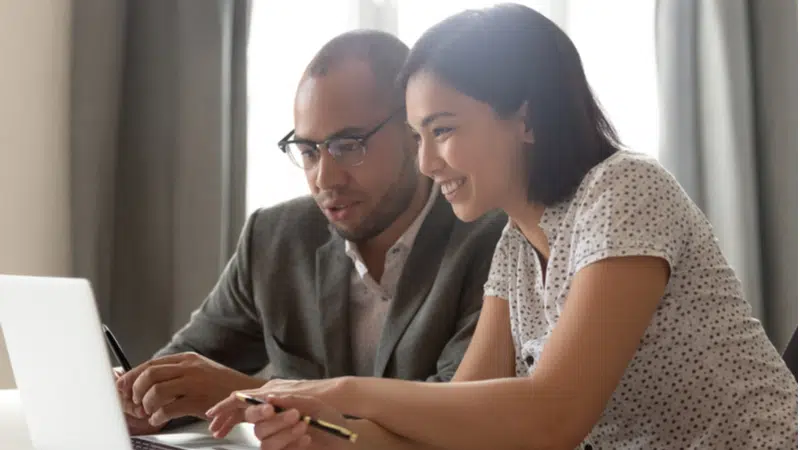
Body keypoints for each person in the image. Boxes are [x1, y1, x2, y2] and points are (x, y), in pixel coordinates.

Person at [206, 4, 799, 449]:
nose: (425, 163)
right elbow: (452, 428)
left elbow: (553, 416)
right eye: (419, 136)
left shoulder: (625, 190)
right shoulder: (517, 245)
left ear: (526, 116)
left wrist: (339, 392)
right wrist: (320, 432)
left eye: (443, 130)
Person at [114, 29, 506, 436]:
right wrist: (132, 396)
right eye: (308, 151)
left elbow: (456, 422)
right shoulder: (275, 237)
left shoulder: (492, 242)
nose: (325, 178)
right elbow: (185, 376)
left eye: (348, 146)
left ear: (413, 132)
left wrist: (254, 397)